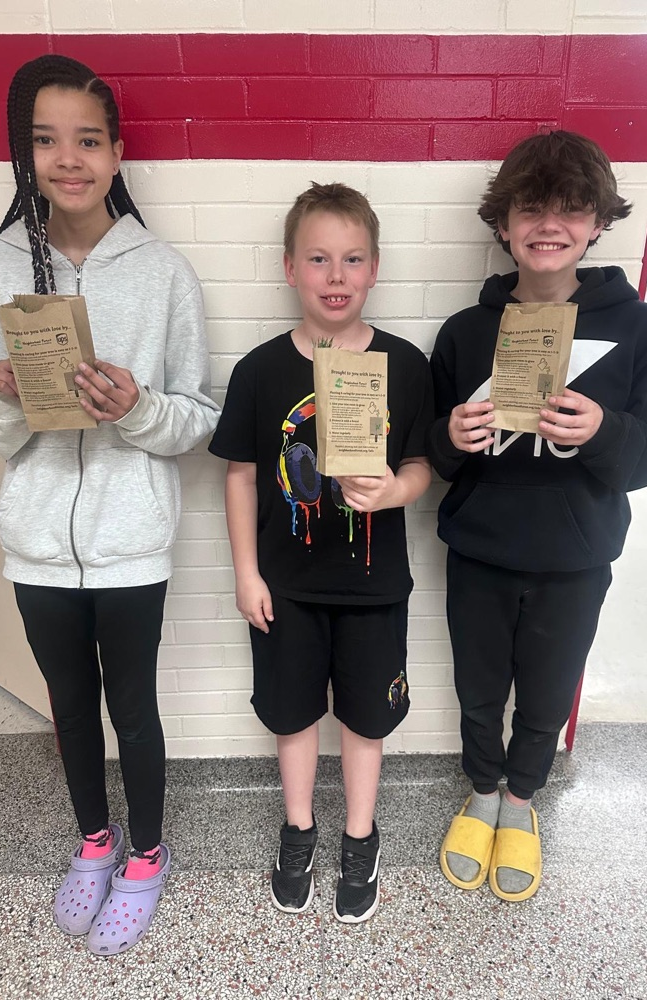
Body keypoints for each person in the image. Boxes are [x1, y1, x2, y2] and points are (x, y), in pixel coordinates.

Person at [0, 55, 220, 954]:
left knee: (134, 710)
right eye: (45, 140)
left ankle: (148, 854)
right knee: (69, 708)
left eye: (86, 139)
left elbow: (198, 418)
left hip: (131, 541)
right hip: (35, 542)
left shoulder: (161, 274)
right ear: (23, 153)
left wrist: (138, 408)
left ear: (116, 153)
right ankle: (94, 841)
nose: (66, 158)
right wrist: (2, 393)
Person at [427, 130, 647, 902]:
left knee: (546, 690)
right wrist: (453, 437)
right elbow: (428, 451)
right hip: (479, 550)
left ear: (598, 223)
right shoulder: (468, 331)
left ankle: (519, 803)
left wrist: (604, 430)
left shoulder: (635, 327)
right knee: (479, 686)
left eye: (572, 209)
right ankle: (479, 794)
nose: (550, 224)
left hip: (577, 558)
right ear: (502, 222)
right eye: (531, 207)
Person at [209, 182, 434, 923]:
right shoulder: (261, 369)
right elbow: (242, 474)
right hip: (288, 587)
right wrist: (246, 572)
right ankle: (298, 828)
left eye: (352, 259)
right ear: (289, 269)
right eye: (318, 259)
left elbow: (423, 466)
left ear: (375, 269)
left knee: (366, 722)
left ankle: (360, 838)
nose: (335, 276)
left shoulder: (405, 365)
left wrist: (395, 493)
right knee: (293, 716)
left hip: (374, 589)